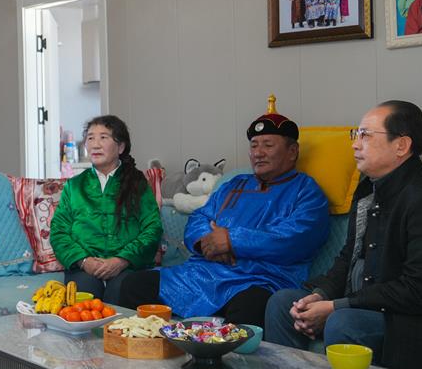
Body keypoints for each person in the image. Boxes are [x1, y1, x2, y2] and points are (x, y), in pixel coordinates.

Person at [265, 101, 422, 369]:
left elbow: (419, 291)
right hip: (370, 305)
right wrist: (320, 296)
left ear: (401, 145)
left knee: (343, 323)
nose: (355, 144)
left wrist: (335, 307)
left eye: (366, 135)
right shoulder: (368, 189)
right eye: (355, 135)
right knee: (283, 304)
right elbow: (349, 257)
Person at [125, 107, 330, 326]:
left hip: (260, 279)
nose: (258, 153)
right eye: (254, 146)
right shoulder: (234, 184)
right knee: (134, 285)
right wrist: (208, 242)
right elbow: (198, 218)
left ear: (292, 151)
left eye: (268, 145)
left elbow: (292, 240)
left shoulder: (307, 192)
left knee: (251, 307)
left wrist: (231, 241)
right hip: (204, 273)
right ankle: (151, 346)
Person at [49, 115, 162, 305]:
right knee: (84, 305)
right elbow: (58, 232)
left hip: (128, 267)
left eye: (103, 137)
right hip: (84, 267)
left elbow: (153, 229)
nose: (95, 144)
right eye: (90, 138)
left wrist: (121, 260)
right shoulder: (74, 186)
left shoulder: (137, 183)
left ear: (121, 147)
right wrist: (84, 261)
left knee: (120, 296)